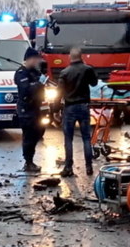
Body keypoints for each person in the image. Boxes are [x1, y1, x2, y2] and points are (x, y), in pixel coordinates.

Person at [57, 47, 98, 177]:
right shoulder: (87, 69)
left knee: (68, 139)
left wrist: (55, 110)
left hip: (69, 108)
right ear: (82, 56)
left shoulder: (64, 72)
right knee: (86, 137)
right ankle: (89, 167)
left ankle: (68, 167)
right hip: (84, 106)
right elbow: (94, 83)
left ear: (70, 56)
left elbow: (59, 93)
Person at [15, 47, 47, 173]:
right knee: (29, 136)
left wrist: (43, 81)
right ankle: (28, 162)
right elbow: (26, 89)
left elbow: (40, 84)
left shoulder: (34, 71)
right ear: (29, 59)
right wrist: (39, 83)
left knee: (38, 133)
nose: (37, 61)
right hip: (26, 109)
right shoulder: (21, 73)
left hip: (36, 107)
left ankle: (30, 160)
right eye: (35, 59)